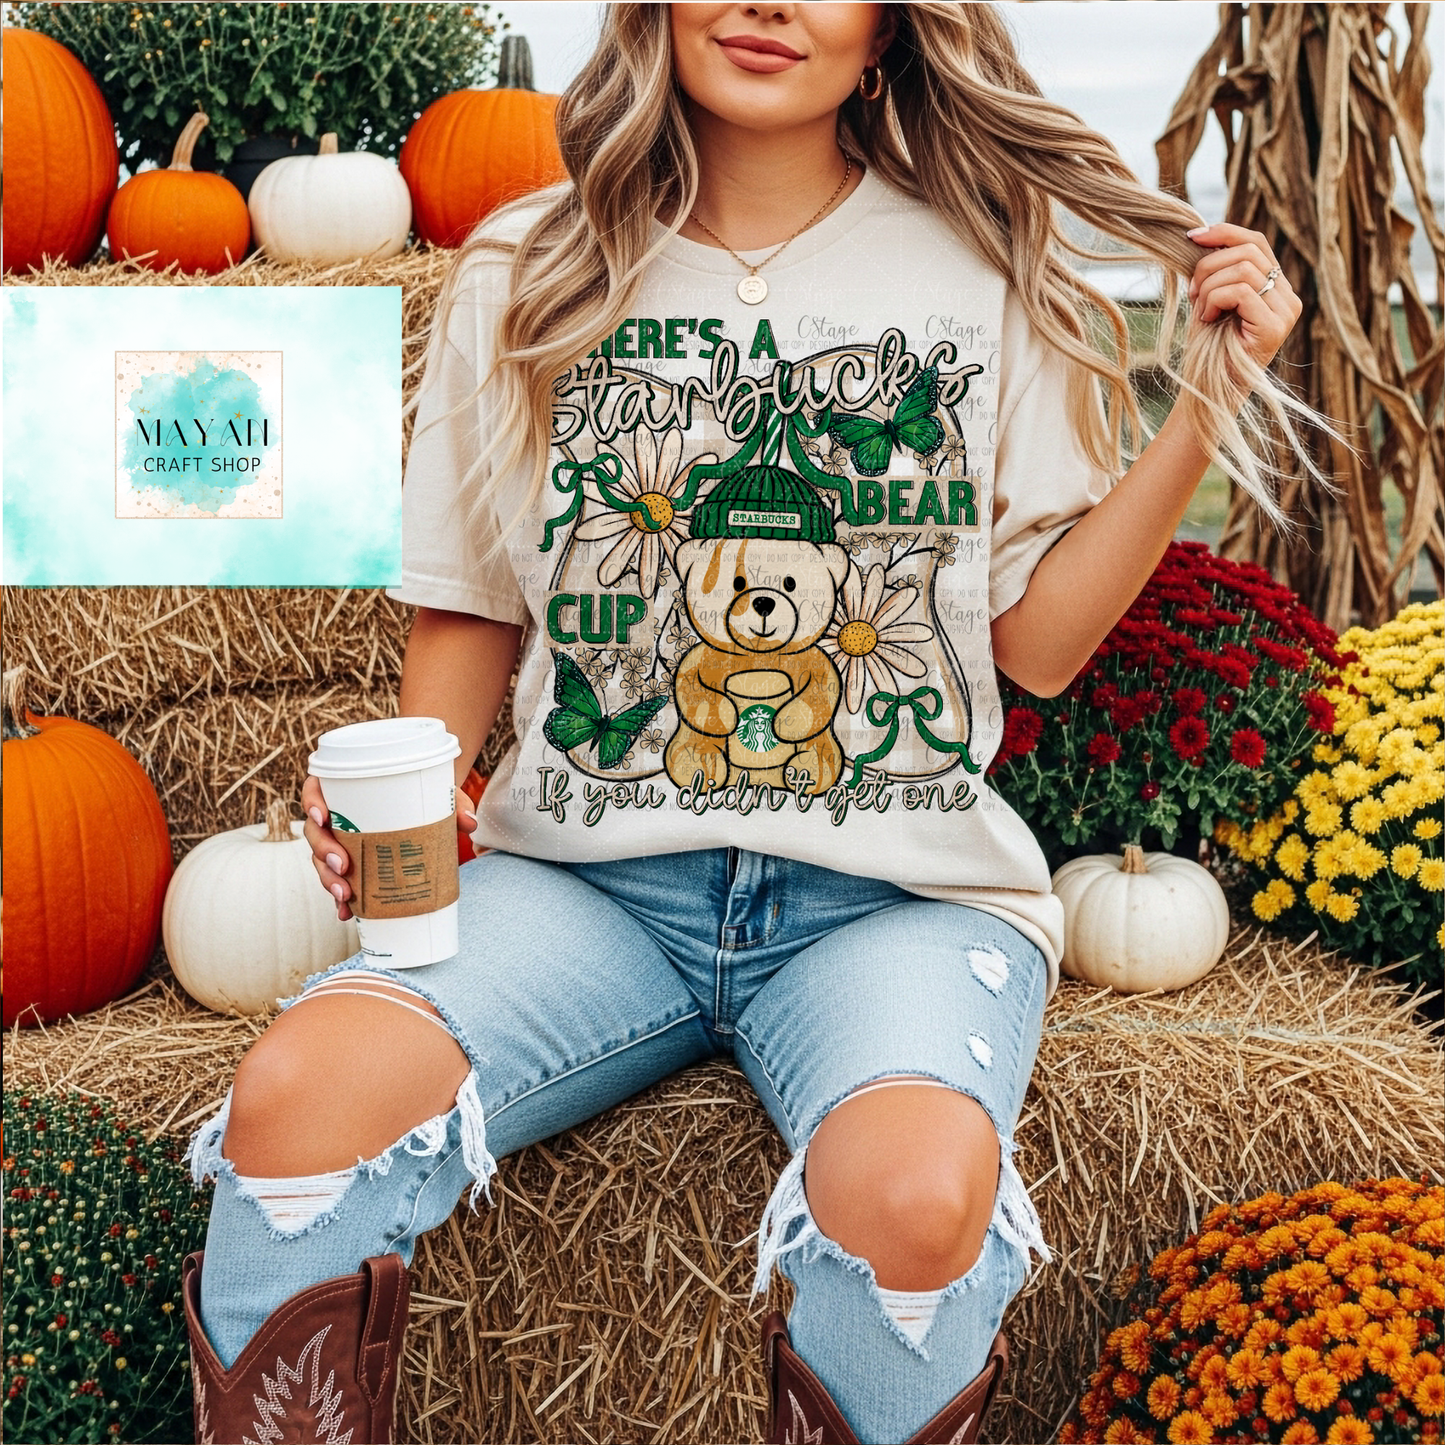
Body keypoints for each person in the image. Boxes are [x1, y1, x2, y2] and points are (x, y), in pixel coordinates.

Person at [180, 5, 1307, 1442]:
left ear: (892, 28)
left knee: (910, 1200)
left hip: (893, 899)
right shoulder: (520, 271)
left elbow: (1042, 650)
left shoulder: (990, 270)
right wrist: (412, 802)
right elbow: (469, 604)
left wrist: (1205, 405)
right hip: (583, 885)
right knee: (290, 1108)